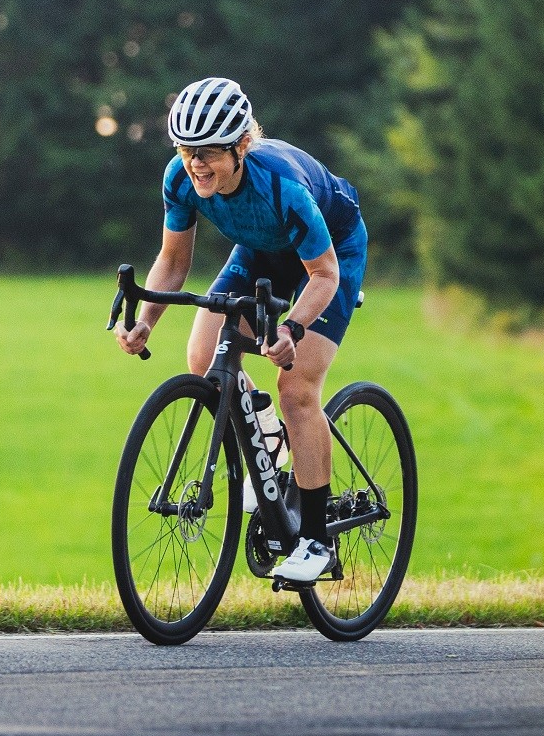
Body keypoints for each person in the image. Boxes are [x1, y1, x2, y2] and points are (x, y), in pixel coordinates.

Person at [114, 77, 367, 583]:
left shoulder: (282, 186)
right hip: (259, 250)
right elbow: (172, 260)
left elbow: (324, 275)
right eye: (187, 150)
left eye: (209, 151)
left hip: (331, 254)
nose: (196, 163)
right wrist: (145, 320)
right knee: (204, 360)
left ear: (241, 146)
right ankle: (269, 446)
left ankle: (317, 541)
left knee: (296, 387)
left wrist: (293, 326)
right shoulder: (180, 178)